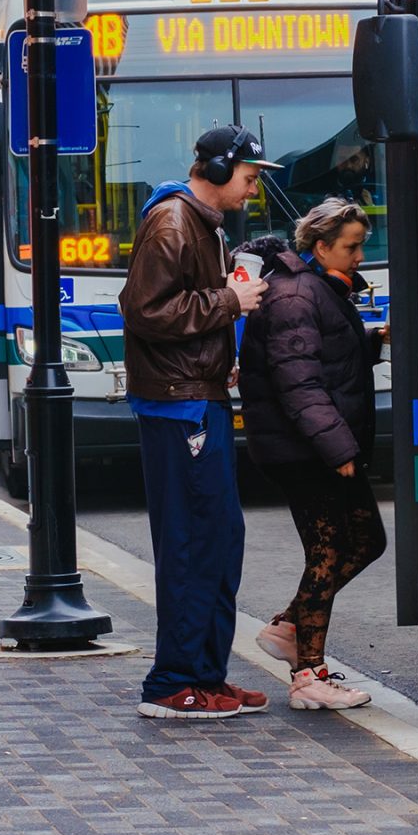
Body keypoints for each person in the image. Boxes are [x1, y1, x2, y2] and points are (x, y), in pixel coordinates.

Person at [117, 125, 275, 722]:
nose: (253, 189)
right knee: (193, 543)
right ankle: (173, 682)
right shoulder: (174, 223)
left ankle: (205, 676)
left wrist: (217, 352)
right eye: (249, 177)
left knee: (217, 539)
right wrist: (231, 303)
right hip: (180, 407)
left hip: (196, 397)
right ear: (215, 170)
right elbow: (146, 310)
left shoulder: (199, 225)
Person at [241, 199, 385, 711]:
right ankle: (309, 675)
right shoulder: (297, 294)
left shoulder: (314, 288)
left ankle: (288, 627)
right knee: (327, 550)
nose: (360, 256)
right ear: (321, 246)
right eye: (352, 246)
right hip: (303, 448)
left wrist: (368, 340)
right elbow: (297, 380)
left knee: (366, 539)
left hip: (314, 443)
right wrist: (338, 447)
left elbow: (319, 356)